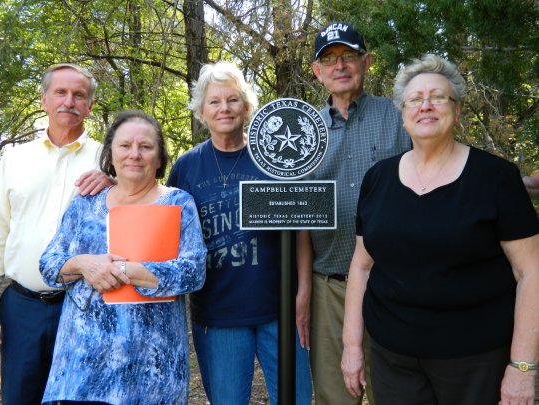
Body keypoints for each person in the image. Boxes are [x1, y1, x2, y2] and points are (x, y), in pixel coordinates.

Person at [341, 54, 539, 405]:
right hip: (393, 361)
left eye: (438, 97)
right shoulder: (379, 179)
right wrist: (352, 347)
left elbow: (531, 272)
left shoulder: (496, 178)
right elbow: (361, 265)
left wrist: (522, 369)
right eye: (415, 99)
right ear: (403, 115)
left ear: (457, 110)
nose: (426, 105)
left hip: (475, 363)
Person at [167, 61, 312, 405]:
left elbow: (302, 224)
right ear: (201, 111)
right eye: (214, 102)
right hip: (218, 318)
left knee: (297, 399)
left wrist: (303, 292)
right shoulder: (186, 167)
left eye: (232, 100)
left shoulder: (275, 157)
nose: (224, 109)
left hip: (281, 311)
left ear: (247, 107)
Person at [39, 110, 207, 404]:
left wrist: (123, 269)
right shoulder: (85, 203)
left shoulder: (178, 203)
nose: (135, 154)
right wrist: (84, 264)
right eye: (125, 146)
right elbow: (49, 264)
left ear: (159, 158)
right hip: (82, 364)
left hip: (151, 369)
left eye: (146, 147)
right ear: (111, 154)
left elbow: (193, 272)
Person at [296, 22, 411, 404]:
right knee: (334, 397)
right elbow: (298, 214)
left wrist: (519, 182)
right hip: (330, 285)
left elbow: (443, 168)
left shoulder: (399, 117)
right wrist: (305, 288)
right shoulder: (303, 132)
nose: (339, 65)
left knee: (394, 395)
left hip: (393, 283)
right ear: (317, 72)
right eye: (329, 59)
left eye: (348, 56)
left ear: (367, 61)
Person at [0, 63, 112, 405]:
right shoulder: (14, 159)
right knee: (20, 396)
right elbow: (0, 231)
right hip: (22, 306)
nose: (69, 101)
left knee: (82, 399)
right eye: (60, 92)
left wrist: (116, 180)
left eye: (79, 95)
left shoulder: (109, 158)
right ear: (44, 99)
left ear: (90, 106)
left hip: (86, 305)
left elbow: (143, 201)